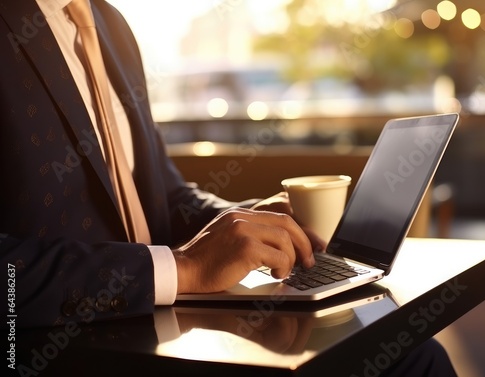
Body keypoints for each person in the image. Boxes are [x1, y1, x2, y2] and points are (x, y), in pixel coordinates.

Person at [2, 1, 457, 375]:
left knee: (411, 354)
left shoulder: (109, 23)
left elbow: (166, 196)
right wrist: (183, 267)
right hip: (62, 351)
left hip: (164, 329)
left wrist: (250, 222)